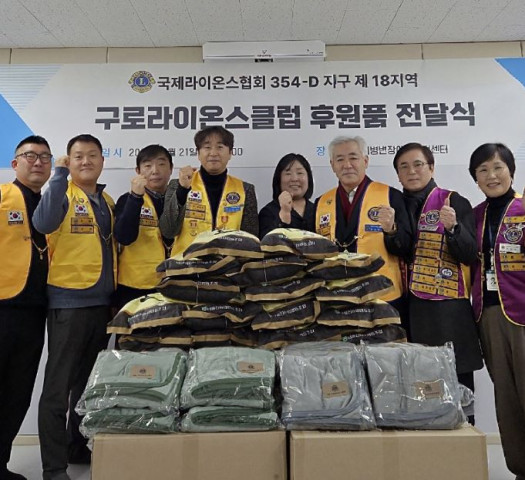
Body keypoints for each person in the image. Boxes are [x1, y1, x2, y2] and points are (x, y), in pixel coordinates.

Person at [33, 134, 116, 480]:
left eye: (92, 155)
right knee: (58, 388)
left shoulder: (106, 200)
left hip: (101, 304)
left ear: (102, 161)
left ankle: (76, 447)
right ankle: (54, 467)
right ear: (69, 160)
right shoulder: (61, 192)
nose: (86, 161)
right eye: (78, 156)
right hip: (68, 301)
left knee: (85, 385)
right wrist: (57, 176)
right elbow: (42, 224)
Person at [394, 142, 483, 422]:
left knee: (459, 393)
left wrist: (454, 228)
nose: (412, 171)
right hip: (410, 311)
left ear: (431, 167)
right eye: (404, 167)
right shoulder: (394, 204)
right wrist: (390, 230)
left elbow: (470, 254)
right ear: (398, 174)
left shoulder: (453, 201)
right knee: (419, 392)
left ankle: (466, 441)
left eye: (418, 164)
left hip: (448, 312)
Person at [469, 143, 525, 480]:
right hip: (488, 314)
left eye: (498, 167)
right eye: (483, 170)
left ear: (511, 171)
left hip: (522, 313)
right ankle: (520, 467)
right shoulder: (474, 215)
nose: (492, 175)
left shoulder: (523, 208)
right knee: (505, 396)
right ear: (475, 178)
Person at [0, 136, 52, 480]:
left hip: (36, 310)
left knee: (17, 392)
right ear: (15, 163)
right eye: (30, 155)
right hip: (3, 306)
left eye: (45, 157)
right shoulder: (3, 196)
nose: (38, 162)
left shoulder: (53, 204)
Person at [315, 135, 412, 309]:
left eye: (353, 158)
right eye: (340, 159)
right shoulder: (321, 203)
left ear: (365, 161)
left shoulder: (390, 196)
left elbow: (407, 248)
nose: (347, 165)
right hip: (337, 298)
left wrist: (391, 230)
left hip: (383, 296)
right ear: (332, 165)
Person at [159, 126, 258, 254]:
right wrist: (182, 190)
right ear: (198, 153)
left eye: (220, 147)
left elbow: (250, 240)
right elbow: (168, 231)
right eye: (207, 147)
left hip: (229, 264)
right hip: (185, 263)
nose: (213, 153)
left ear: (230, 153)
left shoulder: (245, 190)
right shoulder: (177, 185)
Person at [113, 144, 174, 310]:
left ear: (171, 169)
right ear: (138, 171)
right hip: (134, 287)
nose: (155, 171)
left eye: (161, 164)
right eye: (147, 166)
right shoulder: (127, 199)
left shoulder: (179, 199)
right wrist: (135, 198)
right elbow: (124, 237)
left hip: (173, 285)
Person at [258, 153, 315, 238]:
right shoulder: (268, 212)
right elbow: (267, 242)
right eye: (288, 173)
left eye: (300, 173)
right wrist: (284, 214)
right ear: (279, 179)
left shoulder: (319, 209)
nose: (294, 179)